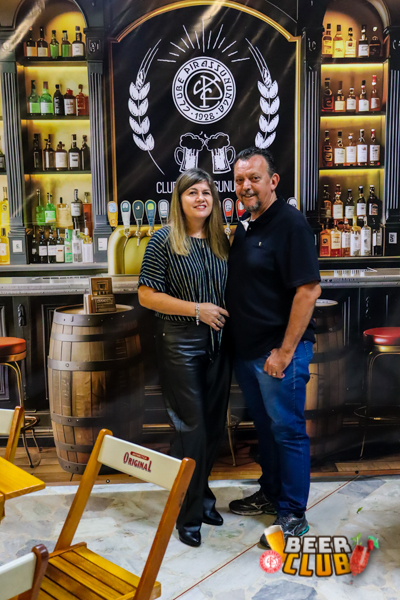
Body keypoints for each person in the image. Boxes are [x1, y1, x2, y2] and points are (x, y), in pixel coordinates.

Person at [226, 147, 321, 546]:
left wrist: (283, 353)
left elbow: (308, 290)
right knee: (266, 429)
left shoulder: (290, 224)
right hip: (250, 353)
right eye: (239, 180)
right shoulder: (246, 226)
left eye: (254, 178)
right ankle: (270, 493)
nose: (246, 186)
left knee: (288, 431)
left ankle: (294, 513)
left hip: (279, 354)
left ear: (273, 181)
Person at [138, 168, 231, 548]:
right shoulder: (163, 240)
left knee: (211, 427)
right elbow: (146, 294)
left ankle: (202, 497)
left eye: (206, 192)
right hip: (180, 342)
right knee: (192, 429)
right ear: (179, 199)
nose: (200, 198)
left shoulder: (222, 240)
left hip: (220, 343)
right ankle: (187, 515)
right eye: (192, 192)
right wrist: (196, 310)